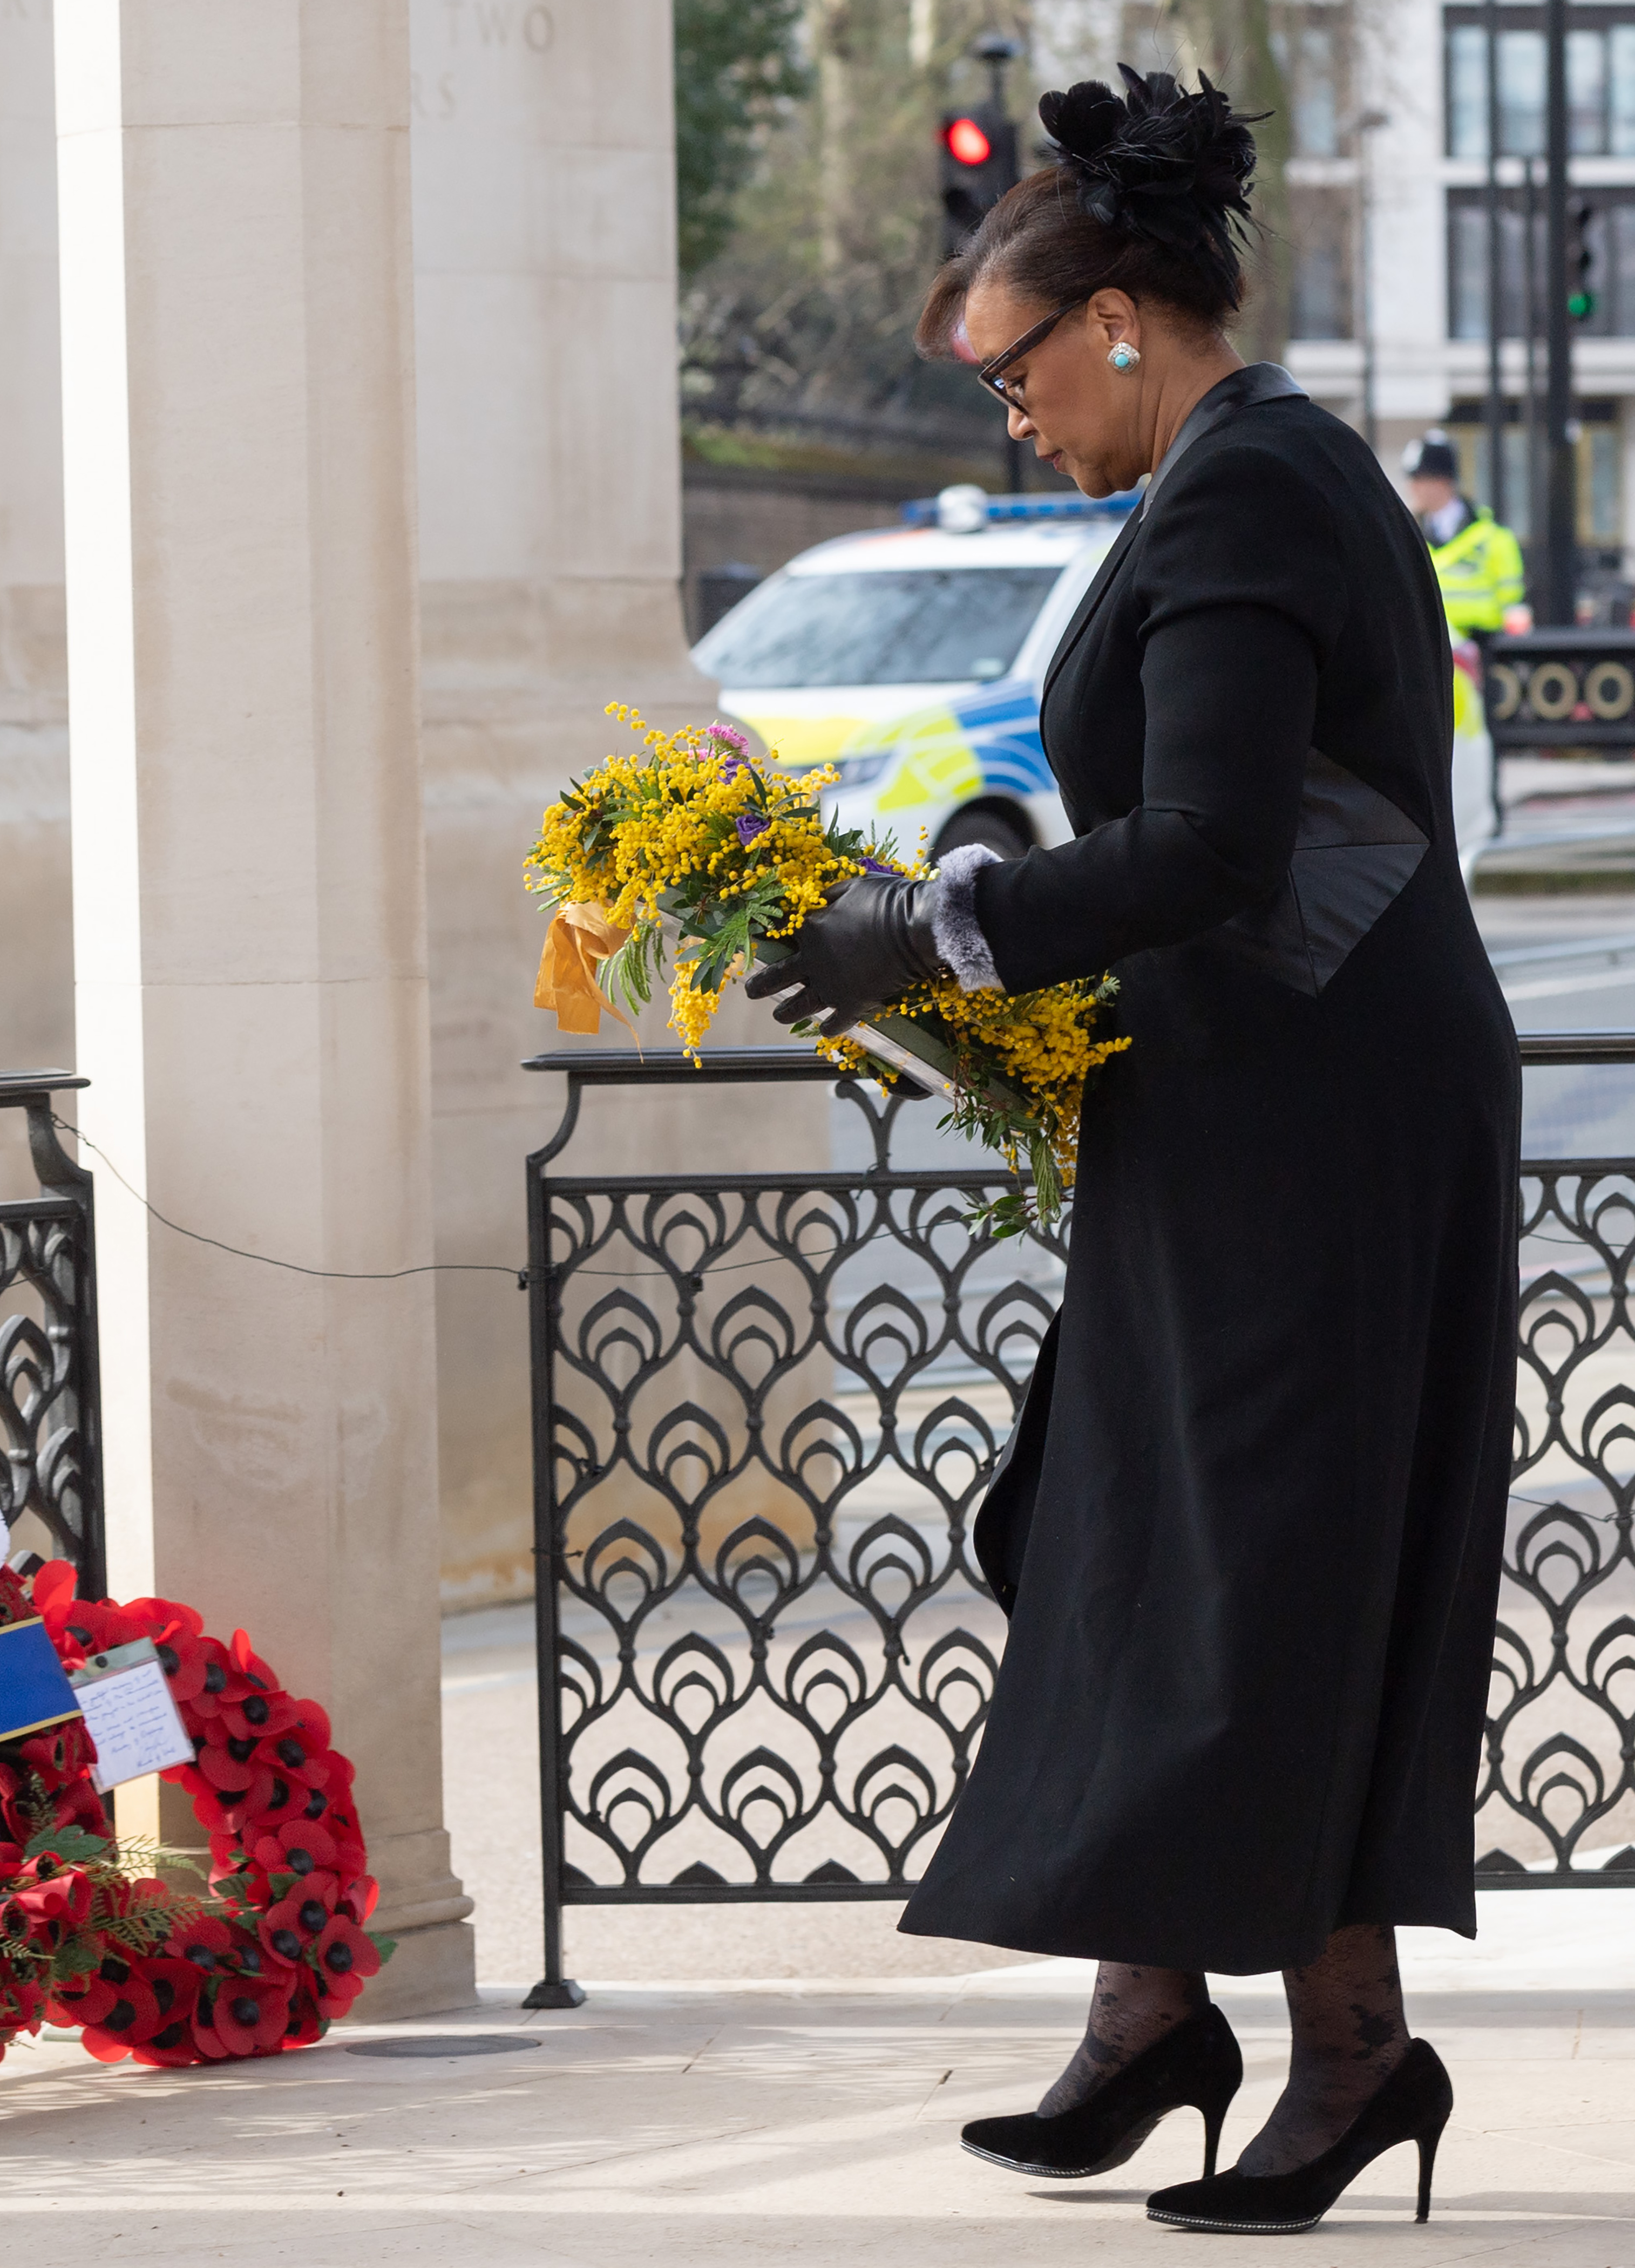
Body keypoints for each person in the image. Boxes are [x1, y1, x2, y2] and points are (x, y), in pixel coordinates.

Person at [745, 67, 1517, 2237]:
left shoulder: (1251, 492)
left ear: (1110, 321)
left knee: (1263, 1562)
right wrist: (983, 857)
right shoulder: (1222, 482)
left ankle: (1352, 2055)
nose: (1005, 417)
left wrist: (935, 930)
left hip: (1318, 1121)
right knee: (1125, 1521)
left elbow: (1219, 847)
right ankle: (1152, 2009)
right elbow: (1175, 820)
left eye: (1007, 374)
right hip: (1254, 1102)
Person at [1403, 429, 1528, 638]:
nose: (1412, 489)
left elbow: (1513, 607)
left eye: (1418, 480)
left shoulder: (1494, 538)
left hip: (1483, 648)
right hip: (1429, 647)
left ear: (1442, 482)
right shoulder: (1409, 535)